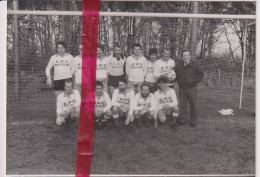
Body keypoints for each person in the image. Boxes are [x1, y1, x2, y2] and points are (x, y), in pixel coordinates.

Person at [175, 50, 204, 128]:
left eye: (187, 55)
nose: (185, 57)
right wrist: (172, 78)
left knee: (193, 105)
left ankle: (193, 121)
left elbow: (201, 74)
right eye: (184, 56)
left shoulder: (195, 65)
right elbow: (175, 75)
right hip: (182, 89)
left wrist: (193, 81)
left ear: (190, 56)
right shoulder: (178, 65)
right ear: (182, 56)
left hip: (191, 88)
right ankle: (183, 120)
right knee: (182, 105)